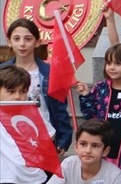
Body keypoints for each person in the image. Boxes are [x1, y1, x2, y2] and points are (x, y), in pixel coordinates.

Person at [1, 19, 71, 153]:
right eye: (16, 39)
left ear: (37, 42)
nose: (22, 44)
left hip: (44, 137)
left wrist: (63, 139)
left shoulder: (50, 73)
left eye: (28, 39)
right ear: (9, 42)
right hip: (9, 138)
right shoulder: (2, 72)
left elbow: (59, 109)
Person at [77, 43, 121, 171]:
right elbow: (90, 115)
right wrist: (86, 95)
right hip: (101, 151)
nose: (112, 67)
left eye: (118, 63)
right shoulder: (100, 87)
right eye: (109, 63)